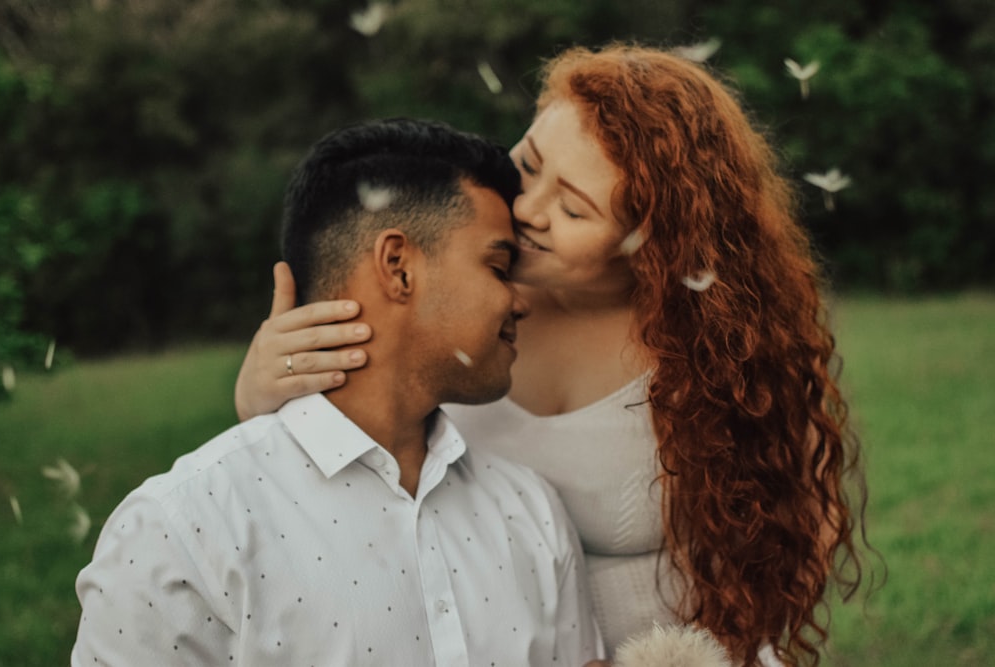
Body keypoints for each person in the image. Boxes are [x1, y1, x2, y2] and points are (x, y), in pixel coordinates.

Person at [233, 44, 869, 666]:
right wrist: (264, 401)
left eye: (572, 207)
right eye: (530, 164)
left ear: (654, 246)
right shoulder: (450, 301)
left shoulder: (717, 351)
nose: (526, 209)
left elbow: (792, 532)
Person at [72, 118, 605, 666]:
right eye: (497, 266)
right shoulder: (179, 533)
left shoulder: (530, 511)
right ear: (398, 267)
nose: (521, 302)